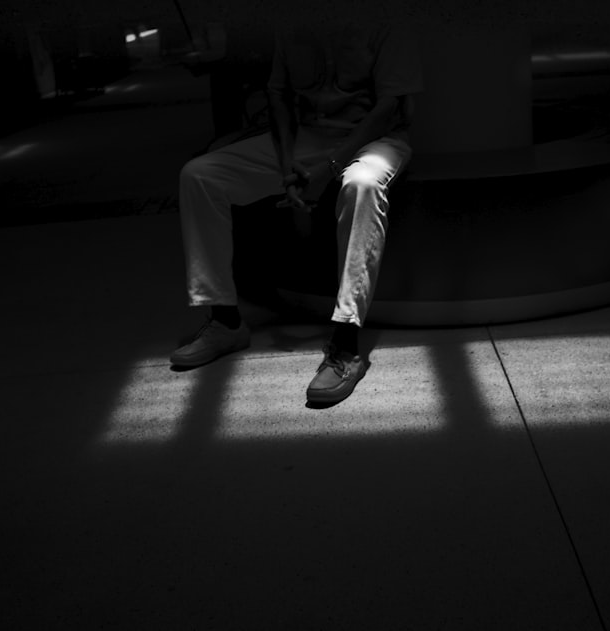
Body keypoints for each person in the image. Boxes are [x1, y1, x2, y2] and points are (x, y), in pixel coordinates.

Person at [171, 19, 423, 405]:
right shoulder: (292, 18)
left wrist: (332, 168)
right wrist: (288, 166)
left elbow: (389, 108)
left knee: (363, 184)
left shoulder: (385, 17)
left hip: (375, 138)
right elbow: (279, 97)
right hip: (308, 139)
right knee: (201, 176)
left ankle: (345, 344)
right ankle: (225, 320)